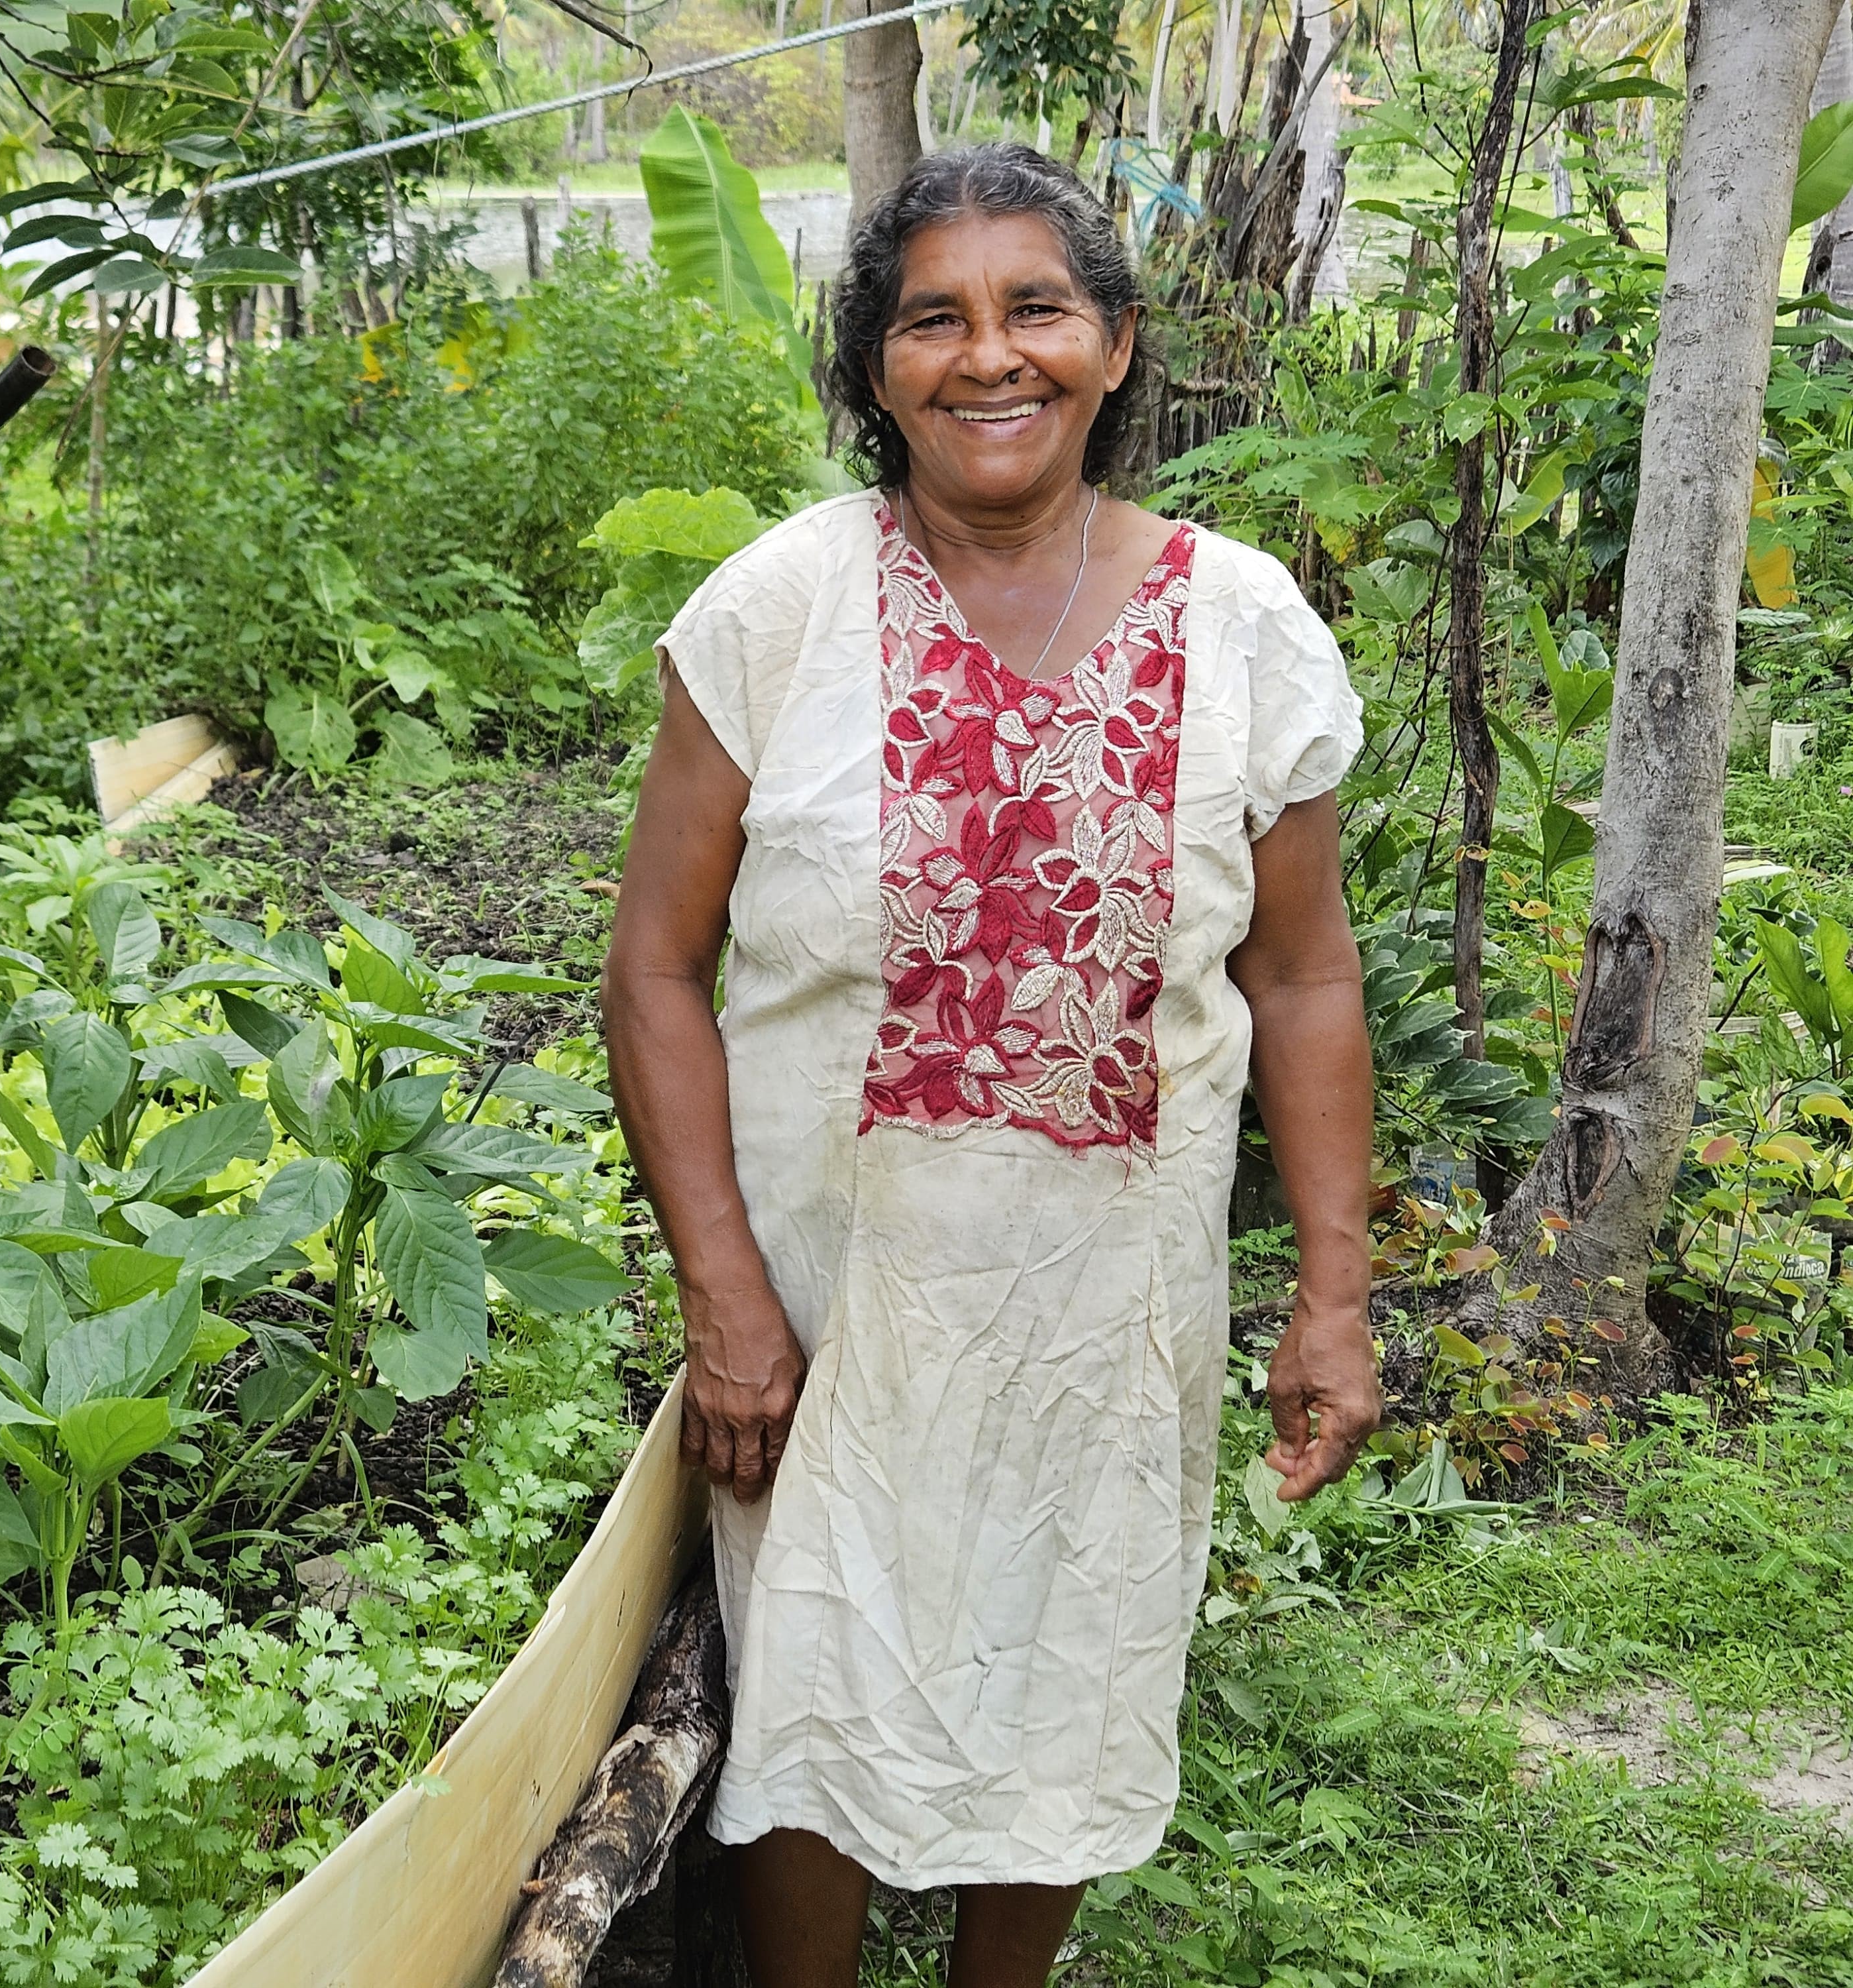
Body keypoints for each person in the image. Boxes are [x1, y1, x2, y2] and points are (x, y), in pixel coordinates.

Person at [599, 146, 1383, 1988]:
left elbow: (1306, 973)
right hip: (828, 1306)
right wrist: (723, 1290)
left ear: (1116, 347)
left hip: (1107, 1310)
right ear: (876, 371)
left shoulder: (1246, 626)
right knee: (813, 1677)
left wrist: (1335, 1298)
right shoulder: (776, 612)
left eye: (1035, 309)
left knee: (1070, 1668)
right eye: (931, 319)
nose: (988, 356)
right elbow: (652, 965)